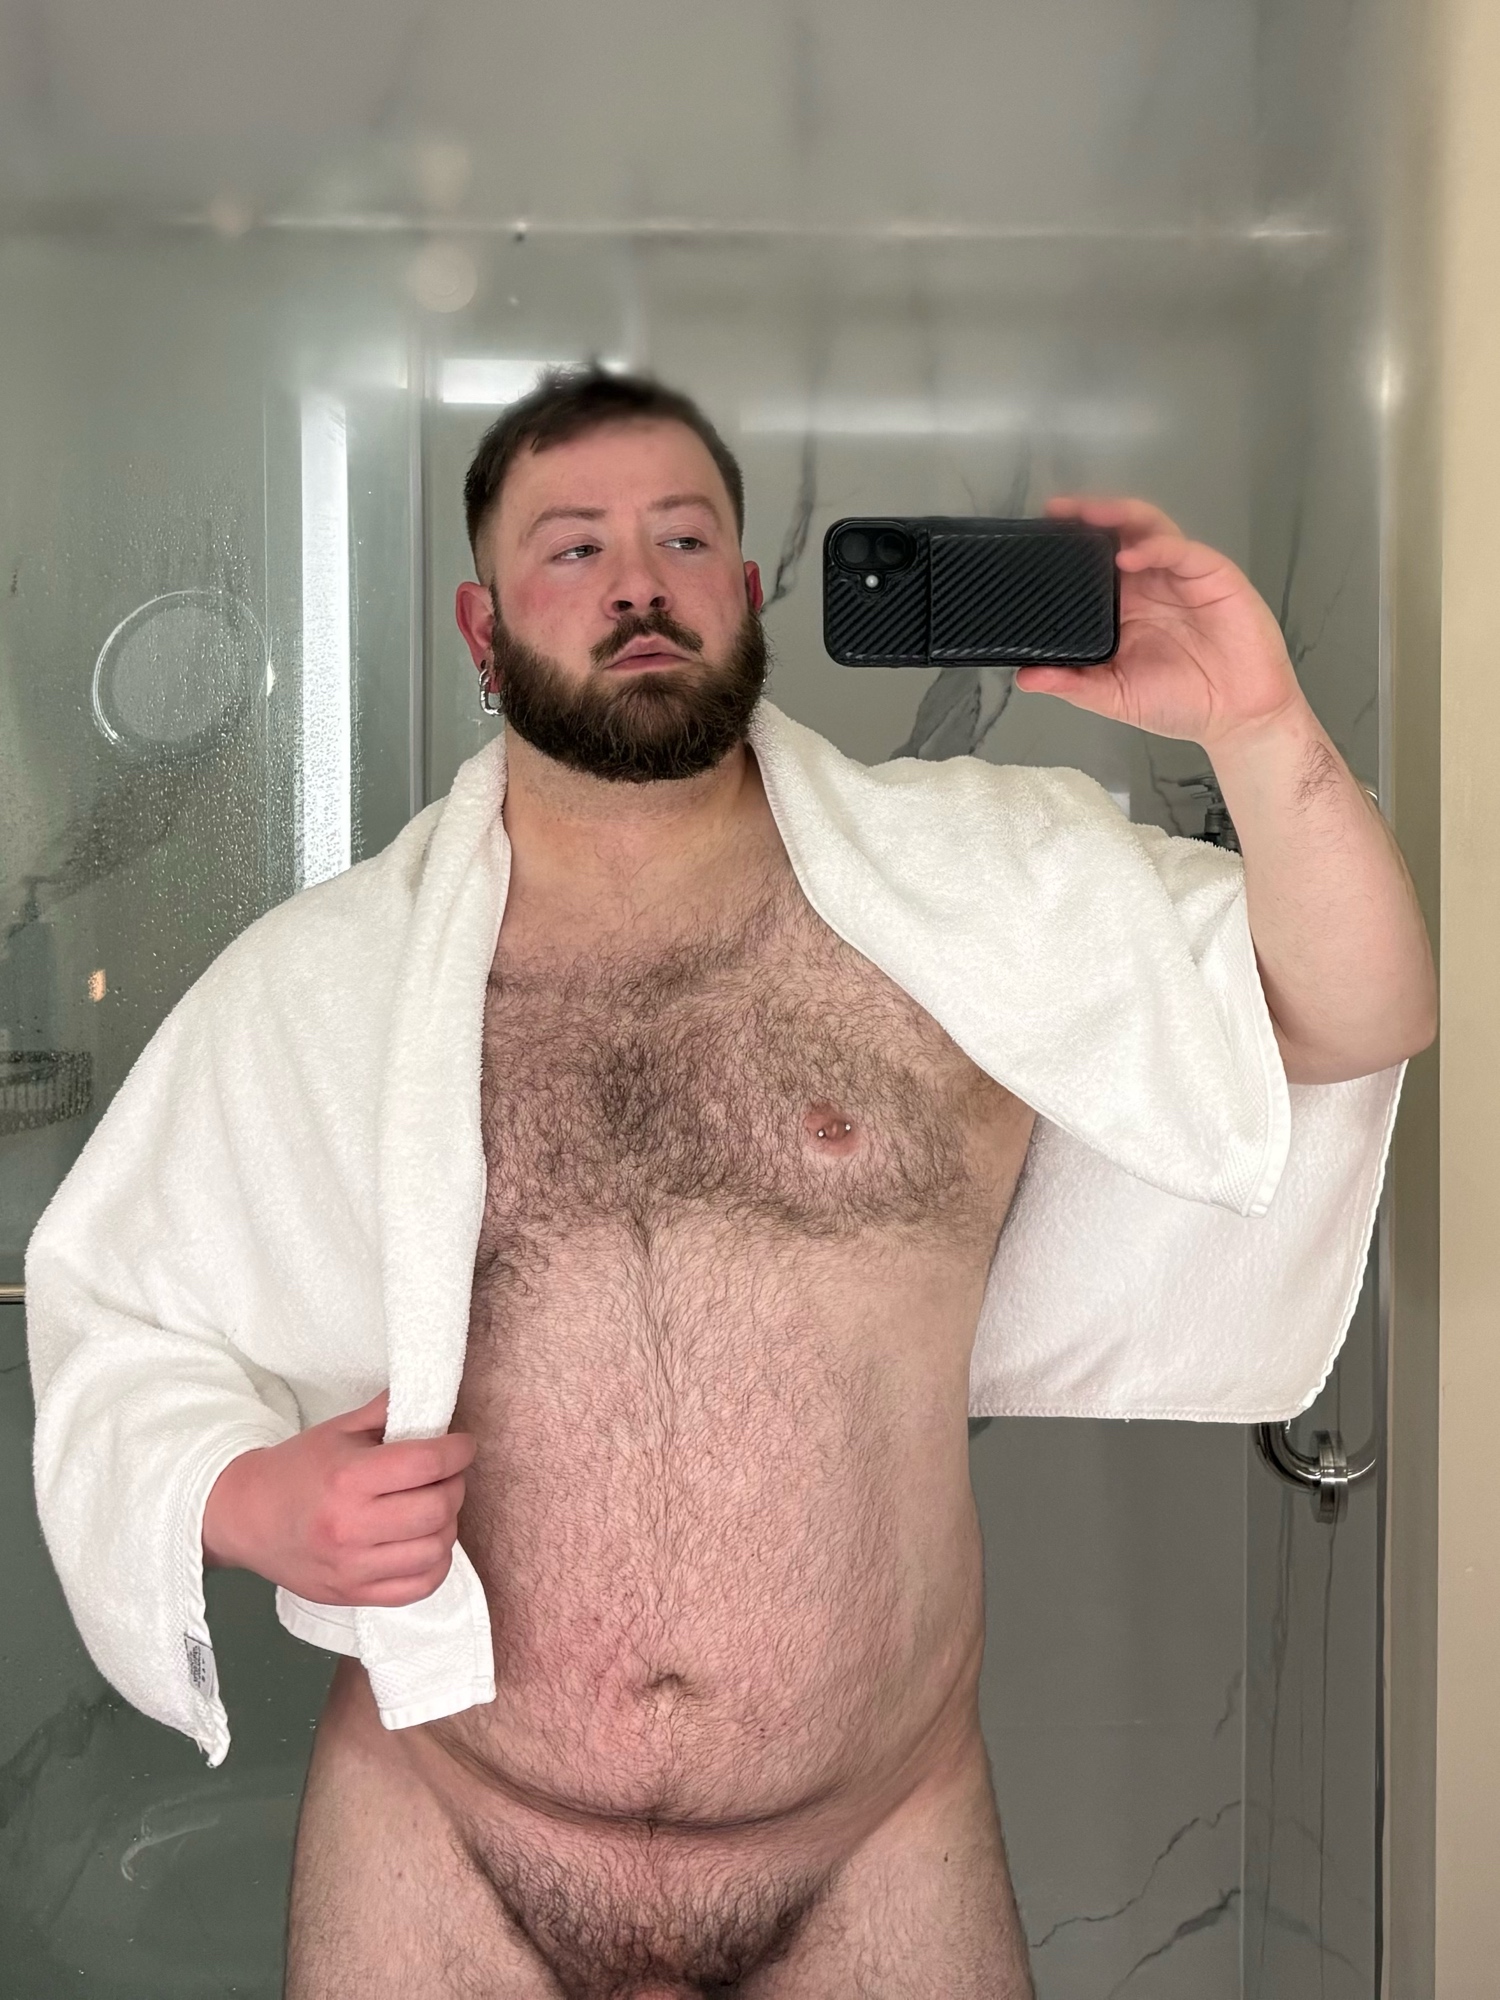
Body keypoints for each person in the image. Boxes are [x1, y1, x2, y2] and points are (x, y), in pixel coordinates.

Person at [27, 368, 1434, 1999]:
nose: (639, 581)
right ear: (484, 631)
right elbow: (114, 1302)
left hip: (875, 1848)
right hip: (442, 1838)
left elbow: (1359, 1014)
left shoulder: (976, 899)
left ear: (749, 591)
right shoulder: (327, 985)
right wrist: (243, 1501)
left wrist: (1255, 724)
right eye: (575, 548)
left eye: (685, 538)